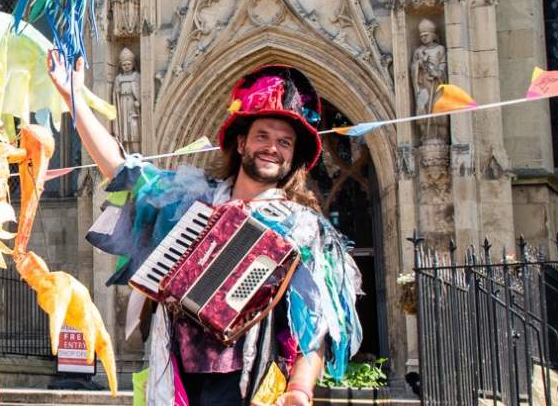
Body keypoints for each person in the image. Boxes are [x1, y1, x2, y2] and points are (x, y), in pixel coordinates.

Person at [49, 57, 361, 406]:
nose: (272, 148)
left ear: (293, 158)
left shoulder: (303, 229)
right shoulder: (192, 201)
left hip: (249, 385)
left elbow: (316, 329)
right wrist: (72, 96)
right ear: (241, 144)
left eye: (284, 142)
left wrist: (299, 390)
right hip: (178, 377)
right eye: (263, 136)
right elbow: (122, 170)